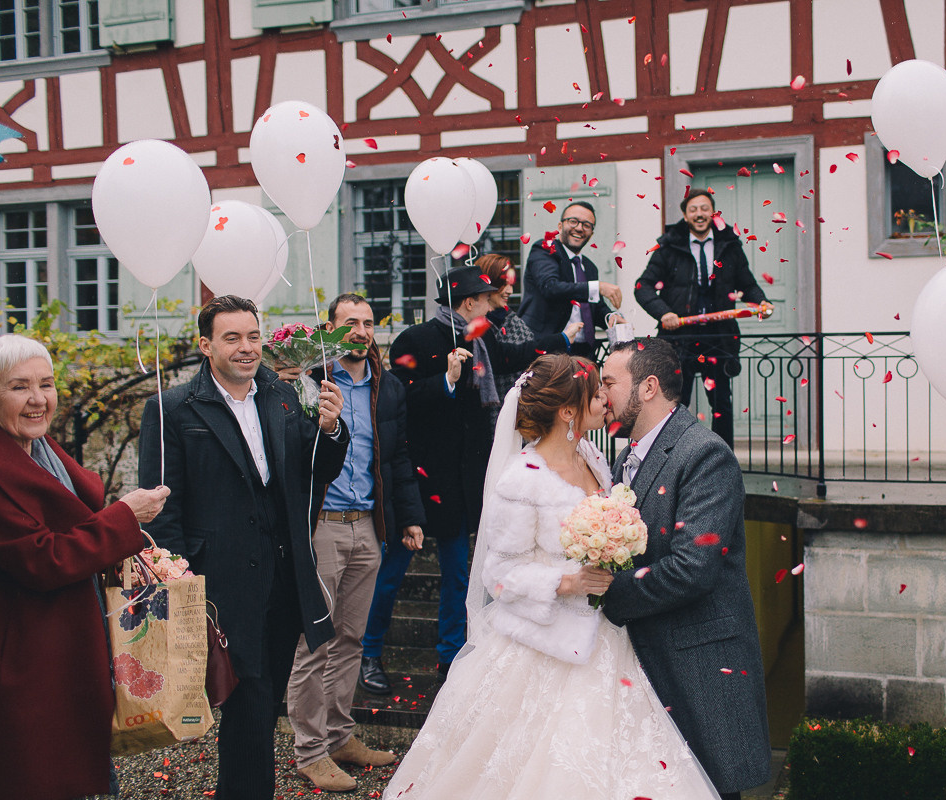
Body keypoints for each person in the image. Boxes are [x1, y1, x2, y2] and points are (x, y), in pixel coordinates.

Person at [381, 353, 721, 799]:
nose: (604, 397)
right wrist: (566, 583)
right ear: (567, 410)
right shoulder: (521, 480)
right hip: (542, 644)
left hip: (606, 636)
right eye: (595, 390)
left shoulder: (595, 457)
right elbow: (497, 574)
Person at [139, 295, 349, 800]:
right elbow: (162, 507)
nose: (246, 347)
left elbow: (313, 474)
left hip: (283, 578)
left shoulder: (279, 396)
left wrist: (330, 429)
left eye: (253, 336)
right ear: (206, 345)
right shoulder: (171, 410)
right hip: (221, 585)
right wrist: (179, 586)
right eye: (232, 337)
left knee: (263, 701)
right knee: (250, 706)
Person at [0, 334, 170, 800]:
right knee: (32, 772)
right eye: (19, 387)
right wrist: (124, 517)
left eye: (46, 384)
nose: (38, 399)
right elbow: (43, 558)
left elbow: (76, 523)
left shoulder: (37, 449)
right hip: (20, 651)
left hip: (63, 639)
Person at [371, 266, 572, 682]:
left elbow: (516, 356)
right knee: (392, 570)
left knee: (459, 573)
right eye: (486, 299)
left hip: (468, 480)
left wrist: (566, 339)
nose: (493, 305)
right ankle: (369, 652)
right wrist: (446, 379)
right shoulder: (415, 340)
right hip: (424, 479)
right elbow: (401, 400)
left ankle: (450, 656)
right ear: (468, 303)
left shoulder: (484, 338)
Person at [600, 337, 772, 800]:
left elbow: (692, 568)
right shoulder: (627, 456)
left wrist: (607, 595)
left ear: (649, 386)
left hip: (697, 662)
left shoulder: (704, 454)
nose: (602, 395)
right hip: (648, 657)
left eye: (610, 382)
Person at [281, 293, 423, 791]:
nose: (361, 331)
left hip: (369, 526)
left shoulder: (389, 389)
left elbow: (399, 457)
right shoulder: (306, 384)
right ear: (331, 328)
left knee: (351, 640)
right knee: (313, 641)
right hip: (321, 524)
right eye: (350, 323)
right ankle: (310, 750)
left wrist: (409, 516)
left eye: (367, 323)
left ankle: (341, 735)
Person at [633, 189, 774, 448]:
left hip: (718, 338)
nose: (699, 214)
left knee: (722, 404)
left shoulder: (729, 246)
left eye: (704, 208)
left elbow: (747, 284)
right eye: (693, 209)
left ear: (713, 213)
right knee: (674, 404)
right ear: (685, 215)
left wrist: (760, 301)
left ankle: (722, 462)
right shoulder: (668, 247)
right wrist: (664, 313)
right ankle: (672, 462)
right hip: (678, 339)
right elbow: (643, 286)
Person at [519, 200, 623, 360]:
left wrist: (610, 317)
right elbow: (550, 287)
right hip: (548, 348)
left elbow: (595, 307)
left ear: (592, 233)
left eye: (587, 225)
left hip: (584, 353)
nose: (580, 228)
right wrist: (598, 287)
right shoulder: (544, 250)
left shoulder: (589, 267)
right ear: (560, 226)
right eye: (573, 221)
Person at [476, 252, 581, 399]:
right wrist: (561, 338)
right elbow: (507, 358)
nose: (510, 291)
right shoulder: (475, 326)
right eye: (504, 284)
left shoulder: (513, 321)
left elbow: (531, 354)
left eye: (511, 285)